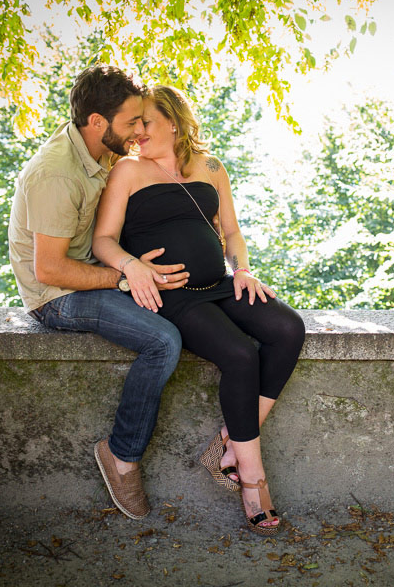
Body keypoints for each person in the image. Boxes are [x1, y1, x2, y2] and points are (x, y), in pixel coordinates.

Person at [92, 85, 306, 535]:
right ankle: (252, 481)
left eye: (145, 122)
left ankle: (231, 443)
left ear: (172, 121)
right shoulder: (128, 171)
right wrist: (132, 267)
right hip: (174, 295)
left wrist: (243, 270)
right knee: (240, 355)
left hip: (220, 285)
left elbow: (230, 230)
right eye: (132, 126)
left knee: (288, 328)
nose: (137, 133)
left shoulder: (210, 167)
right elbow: (103, 240)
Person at [8, 65, 190, 521]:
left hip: (90, 269)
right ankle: (121, 456)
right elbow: (49, 268)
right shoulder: (56, 175)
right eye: (130, 122)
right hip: (56, 295)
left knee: (181, 306)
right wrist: (127, 277)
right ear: (97, 122)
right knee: (163, 341)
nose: (138, 131)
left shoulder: (96, 147)